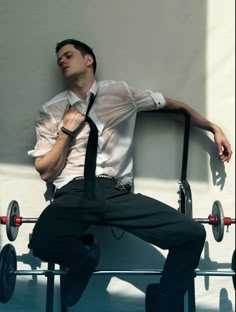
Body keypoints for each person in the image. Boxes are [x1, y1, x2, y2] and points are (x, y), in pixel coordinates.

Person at [28, 39, 232, 311]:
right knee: (40, 241)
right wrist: (66, 130)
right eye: (59, 60)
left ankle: (164, 300)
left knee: (192, 234)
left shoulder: (119, 92)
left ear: (88, 60)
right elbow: (45, 171)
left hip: (113, 192)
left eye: (68, 55)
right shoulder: (51, 110)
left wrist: (212, 127)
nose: (62, 62)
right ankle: (84, 257)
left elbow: (172, 107)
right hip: (73, 192)